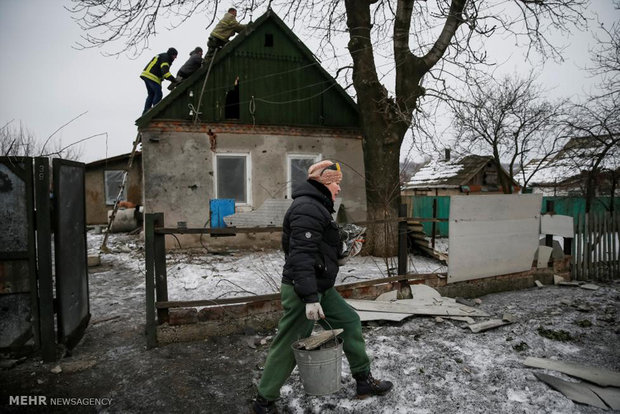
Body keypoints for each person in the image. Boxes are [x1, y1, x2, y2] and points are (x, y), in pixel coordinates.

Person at [252, 160, 393, 414]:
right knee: (290, 342)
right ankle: (264, 400)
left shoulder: (318, 208)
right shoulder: (307, 208)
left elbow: (318, 248)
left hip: (319, 287)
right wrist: (309, 298)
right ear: (324, 182)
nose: (339, 188)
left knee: (349, 321)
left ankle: (363, 380)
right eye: (336, 183)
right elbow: (300, 257)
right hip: (302, 290)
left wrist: (341, 254)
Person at [140, 47, 178, 114]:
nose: (175, 58)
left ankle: (146, 111)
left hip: (147, 75)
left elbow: (163, 73)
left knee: (151, 94)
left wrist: (169, 78)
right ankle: (155, 111)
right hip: (152, 76)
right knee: (158, 93)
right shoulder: (166, 58)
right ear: (171, 54)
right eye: (175, 56)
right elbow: (165, 72)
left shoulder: (163, 56)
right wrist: (173, 80)